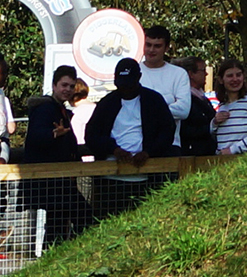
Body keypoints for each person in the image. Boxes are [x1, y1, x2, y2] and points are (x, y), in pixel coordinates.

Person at [85, 56, 176, 217]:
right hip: (111, 179)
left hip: (146, 177)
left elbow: (167, 131)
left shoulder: (153, 101)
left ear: (139, 79)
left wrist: (148, 152)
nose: (126, 90)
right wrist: (113, 149)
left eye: (129, 85)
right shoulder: (107, 103)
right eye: (122, 85)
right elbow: (91, 135)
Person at [21, 66, 95, 245]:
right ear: (54, 86)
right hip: (49, 178)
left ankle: (56, 255)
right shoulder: (45, 109)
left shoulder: (59, 109)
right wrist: (54, 134)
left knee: (58, 222)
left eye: (71, 86)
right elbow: (35, 137)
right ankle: (76, 249)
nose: (67, 90)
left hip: (58, 178)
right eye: (64, 85)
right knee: (80, 214)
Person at [138, 24, 192, 139]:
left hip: (170, 144)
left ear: (166, 48)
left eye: (157, 46)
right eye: (148, 45)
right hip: (137, 144)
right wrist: (166, 107)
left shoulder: (179, 74)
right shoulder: (134, 72)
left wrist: (145, 111)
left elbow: (183, 110)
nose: (151, 50)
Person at [211, 58, 247, 156]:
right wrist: (214, 123)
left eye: (238, 75)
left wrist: (233, 150)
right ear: (221, 80)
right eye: (230, 76)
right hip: (222, 161)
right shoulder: (223, 105)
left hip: (243, 161)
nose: (235, 79)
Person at [177, 58, 215, 155]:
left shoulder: (202, 97)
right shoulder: (183, 100)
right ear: (191, 74)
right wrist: (211, 126)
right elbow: (185, 129)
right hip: (192, 154)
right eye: (203, 70)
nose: (206, 74)